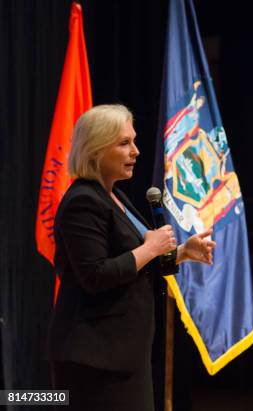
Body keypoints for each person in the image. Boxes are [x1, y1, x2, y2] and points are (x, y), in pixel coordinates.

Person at [47, 104, 216, 410]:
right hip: (95, 361)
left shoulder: (111, 195)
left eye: (134, 141)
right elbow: (96, 276)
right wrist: (150, 247)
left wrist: (180, 253)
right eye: (124, 143)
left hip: (124, 354)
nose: (135, 151)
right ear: (96, 150)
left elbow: (133, 263)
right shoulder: (82, 202)